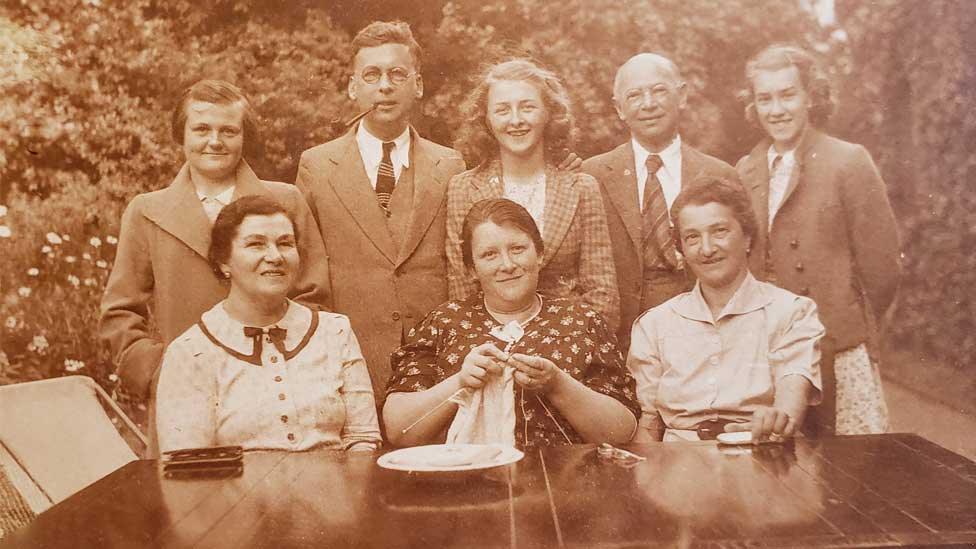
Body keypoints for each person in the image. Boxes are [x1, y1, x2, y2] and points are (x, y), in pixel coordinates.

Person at [99, 80, 330, 453]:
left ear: (244, 136)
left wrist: (293, 368)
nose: (215, 141)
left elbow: (315, 297)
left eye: (228, 130)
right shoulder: (147, 212)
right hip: (187, 399)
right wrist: (159, 371)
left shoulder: (285, 200)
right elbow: (119, 313)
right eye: (201, 129)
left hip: (278, 390)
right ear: (181, 134)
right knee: (192, 501)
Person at [736, 44, 901, 435]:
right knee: (778, 471)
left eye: (788, 95)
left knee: (852, 471)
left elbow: (882, 271)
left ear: (811, 97)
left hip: (837, 347)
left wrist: (844, 320)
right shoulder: (746, 169)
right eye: (765, 98)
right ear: (754, 106)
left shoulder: (848, 160)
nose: (777, 109)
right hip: (771, 351)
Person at [296, 21, 466, 398]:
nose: (385, 86)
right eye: (371, 75)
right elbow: (305, 276)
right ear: (353, 87)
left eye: (397, 74)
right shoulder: (317, 166)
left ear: (417, 85)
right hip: (347, 364)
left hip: (436, 368)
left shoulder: (451, 165)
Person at [385, 198, 639, 449]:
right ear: (472, 269)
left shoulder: (582, 321)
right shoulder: (445, 322)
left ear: (539, 254)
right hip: (463, 480)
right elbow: (398, 430)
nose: (507, 265)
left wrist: (557, 384)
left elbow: (621, 432)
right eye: (489, 255)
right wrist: (460, 382)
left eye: (517, 249)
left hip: (563, 482)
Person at [155, 196, 380, 453]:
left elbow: (363, 439)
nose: (275, 256)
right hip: (235, 493)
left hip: (336, 490)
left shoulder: (334, 331)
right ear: (223, 261)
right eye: (256, 245)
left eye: (285, 243)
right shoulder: (190, 352)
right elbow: (188, 467)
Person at [627, 177, 824, 443]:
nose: (706, 249)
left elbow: (791, 399)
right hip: (679, 468)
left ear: (747, 237)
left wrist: (776, 420)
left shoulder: (791, 312)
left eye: (719, 231)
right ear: (681, 248)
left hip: (763, 454)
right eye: (692, 237)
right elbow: (648, 426)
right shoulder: (654, 325)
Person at [582, 53, 741, 353]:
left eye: (659, 91)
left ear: (681, 96)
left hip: (706, 339)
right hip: (619, 342)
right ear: (619, 108)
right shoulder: (592, 175)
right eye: (635, 95)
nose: (648, 104)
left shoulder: (720, 175)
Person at [446, 59, 620, 331]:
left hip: (571, 346)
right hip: (490, 351)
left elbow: (602, 293)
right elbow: (461, 290)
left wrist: (570, 352)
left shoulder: (582, 187)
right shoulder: (463, 188)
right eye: (502, 110)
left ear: (548, 113)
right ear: (486, 120)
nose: (516, 120)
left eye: (527, 107)